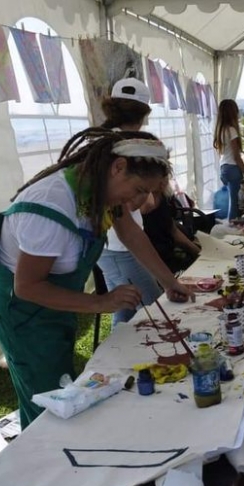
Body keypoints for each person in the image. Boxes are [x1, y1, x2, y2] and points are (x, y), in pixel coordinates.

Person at [0, 129, 194, 428]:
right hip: (23, 310)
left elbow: (131, 234)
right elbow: (27, 286)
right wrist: (101, 301)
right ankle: (44, 463)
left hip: (56, 302)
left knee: (60, 386)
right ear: (118, 167)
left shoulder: (99, 189)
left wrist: (169, 281)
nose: (138, 202)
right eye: (138, 190)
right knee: (43, 401)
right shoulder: (51, 204)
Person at [97, 79, 164, 325]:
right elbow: (128, 214)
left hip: (108, 247)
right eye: (139, 188)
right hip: (119, 248)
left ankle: (113, 360)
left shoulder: (104, 140)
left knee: (125, 312)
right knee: (157, 312)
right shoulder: (123, 146)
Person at [142, 188, 202, 274]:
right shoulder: (135, 204)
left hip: (169, 254)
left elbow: (172, 230)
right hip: (151, 262)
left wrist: (198, 252)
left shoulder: (165, 198)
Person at [215, 99, 244, 220]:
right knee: (234, 204)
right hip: (233, 168)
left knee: (232, 200)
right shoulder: (231, 130)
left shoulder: (220, 130)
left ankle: (229, 224)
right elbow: (237, 157)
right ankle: (231, 225)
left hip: (224, 167)